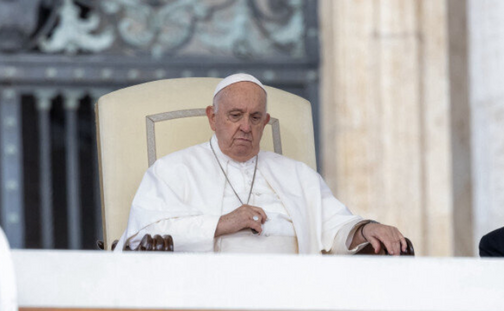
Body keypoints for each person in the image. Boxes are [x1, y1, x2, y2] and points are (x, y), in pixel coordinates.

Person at [115, 73, 407, 255]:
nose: (245, 126)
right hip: (204, 294)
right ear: (212, 118)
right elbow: (141, 236)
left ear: (265, 122)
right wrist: (221, 224)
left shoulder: (298, 175)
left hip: (292, 293)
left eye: (255, 117)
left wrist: (367, 229)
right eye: (235, 115)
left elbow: (336, 227)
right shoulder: (172, 170)